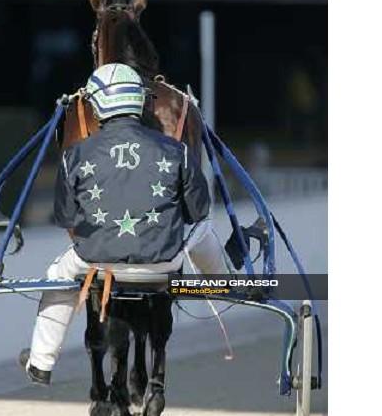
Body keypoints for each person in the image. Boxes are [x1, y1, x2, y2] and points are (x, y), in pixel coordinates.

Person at [23, 63, 231, 384]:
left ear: (96, 104)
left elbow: (65, 218)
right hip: (165, 263)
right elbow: (197, 212)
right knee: (204, 230)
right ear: (139, 101)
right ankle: (222, 287)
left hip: (96, 264)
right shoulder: (177, 150)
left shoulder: (73, 155)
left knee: (57, 276)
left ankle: (41, 361)